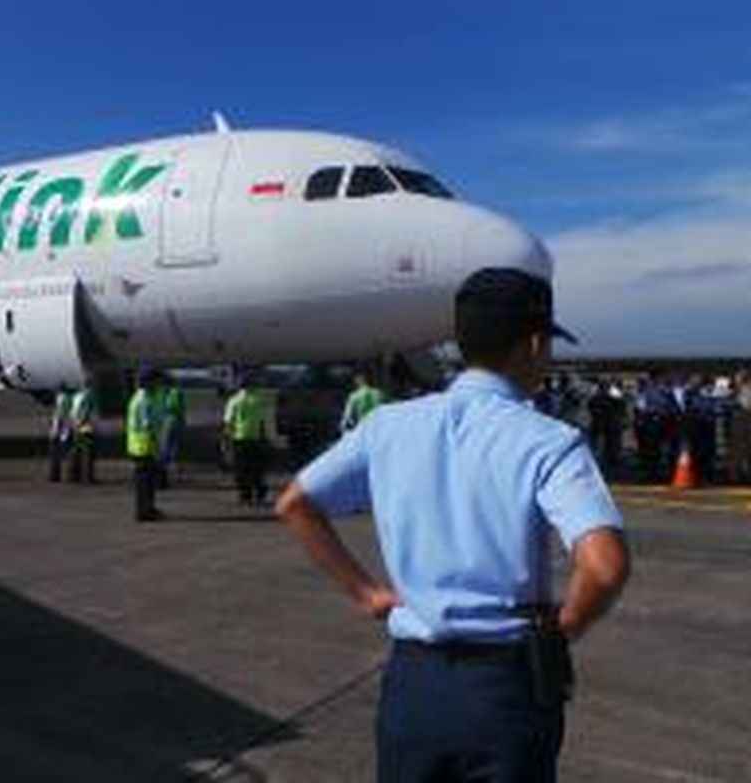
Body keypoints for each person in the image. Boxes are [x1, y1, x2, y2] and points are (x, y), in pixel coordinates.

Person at [276, 268, 630, 782]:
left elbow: (295, 504)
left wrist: (368, 594)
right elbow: (604, 567)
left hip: (412, 686)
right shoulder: (549, 441)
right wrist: (566, 627)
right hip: (506, 688)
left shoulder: (388, 425)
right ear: (533, 343)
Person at [224, 375, 270, 506]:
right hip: (255, 438)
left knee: (241, 469)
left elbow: (228, 421)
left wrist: (226, 439)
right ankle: (260, 490)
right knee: (256, 467)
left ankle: (245, 495)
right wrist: (265, 438)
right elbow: (263, 421)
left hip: (239, 438)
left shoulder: (234, 400)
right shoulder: (259, 399)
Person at [126, 368, 162, 521]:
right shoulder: (144, 400)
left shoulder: (135, 398)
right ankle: (145, 511)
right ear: (147, 382)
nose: (157, 384)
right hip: (144, 446)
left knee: (143, 482)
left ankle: (146, 509)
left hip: (136, 446)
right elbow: (148, 425)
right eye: (154, 381)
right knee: (146, 483)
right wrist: (157, 445)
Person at [70, 379, 98, 484]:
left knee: (77, 453)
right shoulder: (89, 395)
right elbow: (86, 412)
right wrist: (82, 422)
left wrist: (75, 425)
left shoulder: (77, 396)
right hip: (86, 427)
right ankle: (87, 477)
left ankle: (75, 476)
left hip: (76, 427)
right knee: (88, 455)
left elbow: (73, 412)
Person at [159, 378, 187, 483]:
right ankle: (176, 474)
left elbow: (171, 406)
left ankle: (165, 474)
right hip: (177, 420)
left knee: (166, 447)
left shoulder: (172, 392)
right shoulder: (175, 391)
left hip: (171, 420)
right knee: (175, 448)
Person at [48, 384, 73, 482]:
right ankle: (66, 475)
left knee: (55, 455)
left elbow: (59, 416)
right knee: (65, 453)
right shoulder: (67, 399)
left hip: (58, 430)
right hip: (62, 429)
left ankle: (55, 475)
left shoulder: (61, 399)